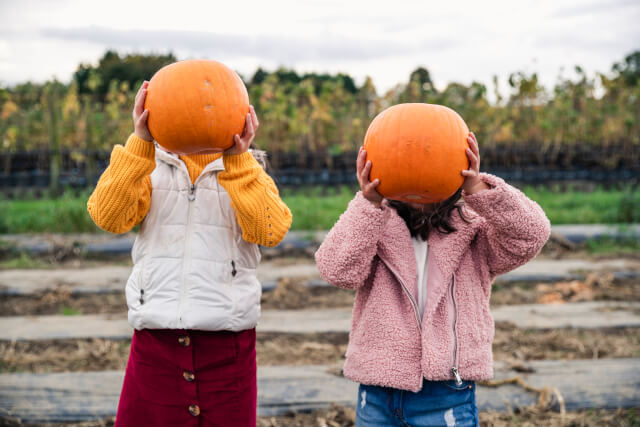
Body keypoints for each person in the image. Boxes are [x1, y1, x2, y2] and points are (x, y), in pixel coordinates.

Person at [87, 80, 292, 426]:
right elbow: (108, 216)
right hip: (156, 345)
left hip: (227, 349)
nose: (200, 113)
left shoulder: (248, 174)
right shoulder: (147, 170)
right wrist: (140, 143)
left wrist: (239, 161)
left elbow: (269, 231)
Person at [315, 133, 550, 427]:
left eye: (431, 158)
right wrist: (368, 204)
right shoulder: (374, 226)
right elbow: (337, 270)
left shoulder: (476, 232)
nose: (418, 169)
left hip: (447, 390)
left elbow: (532, 232)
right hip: (378, 392)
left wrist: (479, 189)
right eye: (406, 160)